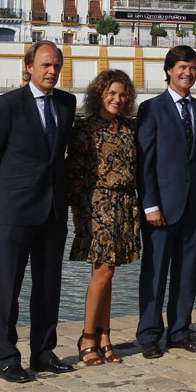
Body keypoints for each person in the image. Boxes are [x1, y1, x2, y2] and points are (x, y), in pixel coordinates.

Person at [0, 41, 77, 383]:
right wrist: (2, 196)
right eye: (46, 65)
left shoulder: (66, 103)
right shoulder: (8, 105)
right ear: (29, 66)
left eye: (57, 66)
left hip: (53, 209)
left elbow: (59, 156)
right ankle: (6, 358)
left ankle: (44, 352)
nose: (52, 71)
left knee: (48, 286)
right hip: (16, 209)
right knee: (8, 288)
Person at [135, 46, 196, 358]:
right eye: (182, 67)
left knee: (188, 273)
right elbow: (144, 162)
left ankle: (180, 332)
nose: (188, 73)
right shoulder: (151, 109)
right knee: (155, 272)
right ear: (169, 70)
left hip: (194, 207)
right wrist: (149, 205)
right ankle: (148, 334)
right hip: (160, 207)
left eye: (192, 68)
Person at [66, 69, 140, 365]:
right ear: (98, 94)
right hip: (96, 203)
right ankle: (87, 336)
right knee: (102, 271)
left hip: (124, 204)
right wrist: (76, 210)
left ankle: (104, 335)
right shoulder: (84, 129)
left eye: (122, 94)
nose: (117, 99)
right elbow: (74, 172)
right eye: (111, 93)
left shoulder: (128, 128)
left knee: (110, 273)